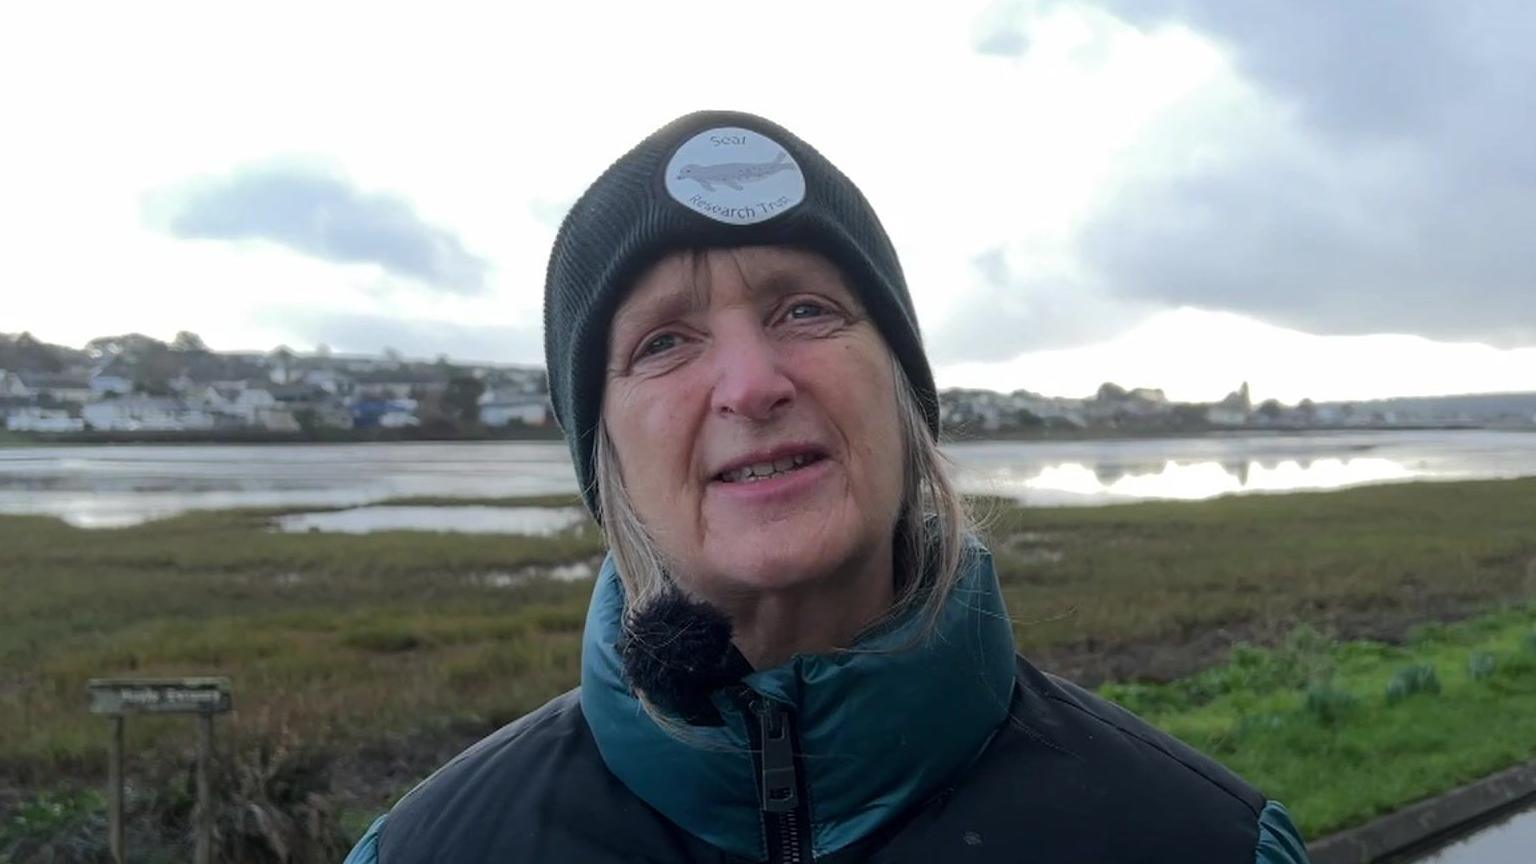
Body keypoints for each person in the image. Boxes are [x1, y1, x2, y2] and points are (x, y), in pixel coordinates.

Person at [343, 110, 1312, 863]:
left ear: (901, 397)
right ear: (603, 454)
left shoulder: (1198, 842)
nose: (753, 384)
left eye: (805, 309)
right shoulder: (430, 850)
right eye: (665, 341)